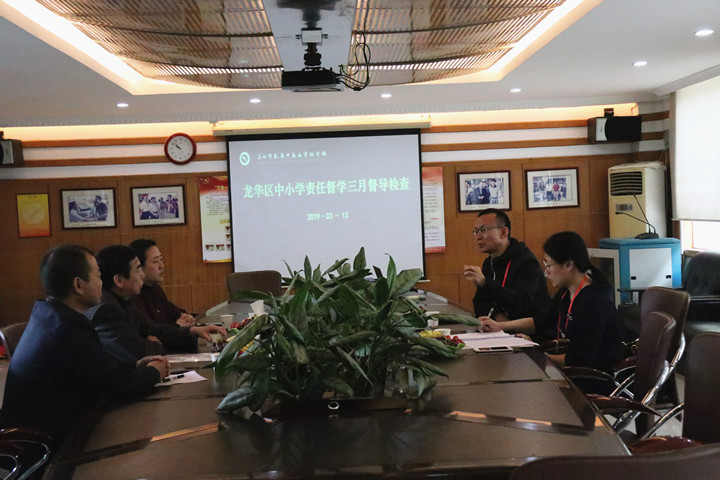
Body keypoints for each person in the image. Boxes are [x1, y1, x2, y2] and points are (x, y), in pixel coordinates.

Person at [0, 245, 168, 440]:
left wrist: (136, 365)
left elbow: (101, 368)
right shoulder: (65, 328)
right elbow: (118, 385)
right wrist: (155, 372)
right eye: (98, 276)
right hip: (47, 443)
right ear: (78, 285)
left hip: (58, 426)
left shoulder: (50, 315)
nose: (102, 283)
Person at [480, 231, 624, 373]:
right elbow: (542, 321)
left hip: (595, 377)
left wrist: (535, 355)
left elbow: (580, 360)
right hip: (574, 370)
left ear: (568, 264)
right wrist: (500, 326)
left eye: (549, 265)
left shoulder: (593, 302)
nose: (546, 272)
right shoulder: (567, 292)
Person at [89, 245, 226, 367]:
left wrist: (194, 331)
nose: (142, 275)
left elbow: (157, 330)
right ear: (119, 280)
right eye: (138, 269)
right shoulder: (106, 310)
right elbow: (138, 352)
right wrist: (156, 344)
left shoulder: (125, 300)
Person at [463, 209, 550, 322]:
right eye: (476, 231)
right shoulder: (489, 263)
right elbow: (479, 303)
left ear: (503, 233)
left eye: (483, 230)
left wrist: (485, 283)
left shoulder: (527, 262)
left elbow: (522, 303)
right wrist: (496, 316)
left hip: (529, 330)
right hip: (498, 327)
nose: (478, 236)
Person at [129, 238, 195, 327]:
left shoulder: (156, 290)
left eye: (161, 259)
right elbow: (151, 331)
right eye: (156, 261)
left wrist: (186, 318)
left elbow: (174, 312)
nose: (162, 266)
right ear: (139, 267)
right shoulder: (133, 297)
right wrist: (178, 326)